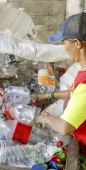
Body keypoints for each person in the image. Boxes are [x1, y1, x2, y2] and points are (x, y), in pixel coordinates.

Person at [35, 12, 86, 162]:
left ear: (77, 43)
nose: (64, 49)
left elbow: (65, 127)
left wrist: (47, 119)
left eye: (64, 43)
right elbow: (75, 95)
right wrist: (47, 95)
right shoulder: (82, 71)